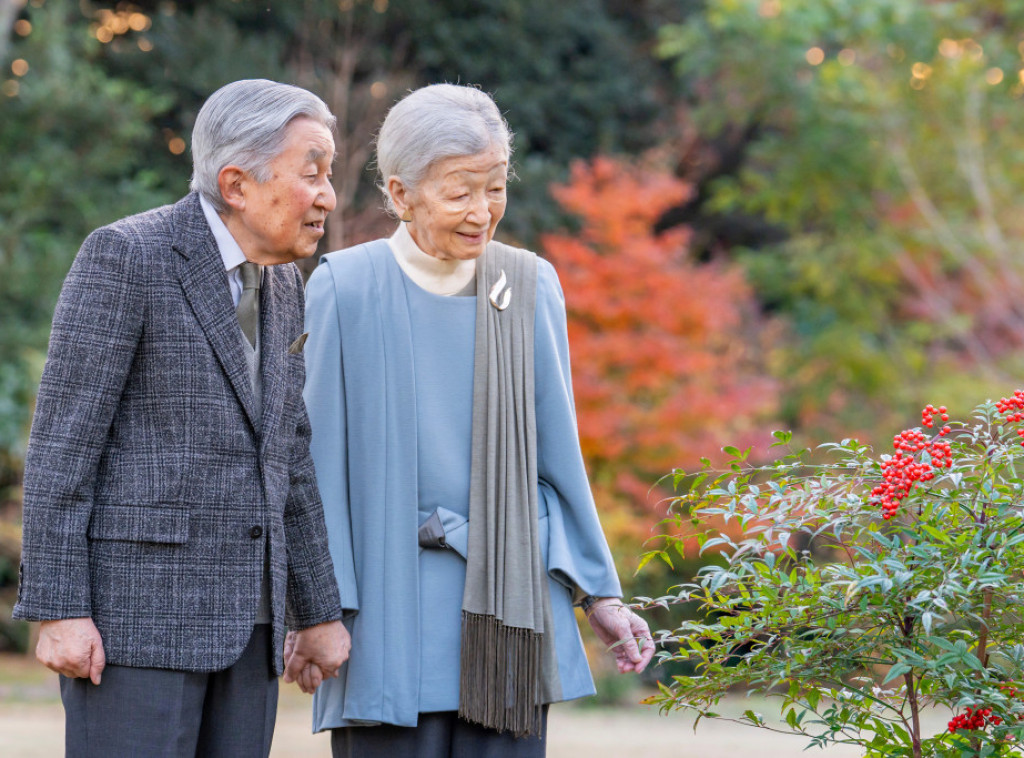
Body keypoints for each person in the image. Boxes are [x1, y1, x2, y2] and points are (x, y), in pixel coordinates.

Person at [302, 83, 655, 757]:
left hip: (509, 606)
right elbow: (318, 474)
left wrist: (600, 595)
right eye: (460, 191)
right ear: (401, 194)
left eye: (495, 188)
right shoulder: (346, 287)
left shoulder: (529, 285)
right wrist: (318, 610)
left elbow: (559, 457)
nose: (483, 211)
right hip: (383, 610)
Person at [13, 79, 350, 757]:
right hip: (133, 630)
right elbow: (62, 448)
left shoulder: (285, 283)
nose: (329, 197)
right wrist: (57, 608)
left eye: (329, 176)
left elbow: (289, 455)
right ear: (237, 184)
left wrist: (317, 612)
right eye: (312, 174)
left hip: (251, 633)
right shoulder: (126, 255)